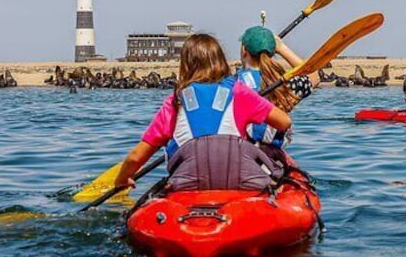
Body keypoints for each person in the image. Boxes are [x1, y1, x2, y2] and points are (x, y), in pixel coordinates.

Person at [114, 34, 292, 192]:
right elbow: (284, 122)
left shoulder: (175, 100)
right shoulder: (239, 91)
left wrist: (122, 179)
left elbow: (136, 156)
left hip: (187, 183)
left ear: (186, 64)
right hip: (239, 179)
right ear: (220, 61)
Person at [236, 26, 318, 149]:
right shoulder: (283, 84)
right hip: (273, 153)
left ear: (244, 50)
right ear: (272, 52)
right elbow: (314, 76)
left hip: (243, 151)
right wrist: (282, 48)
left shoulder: (232, 82)